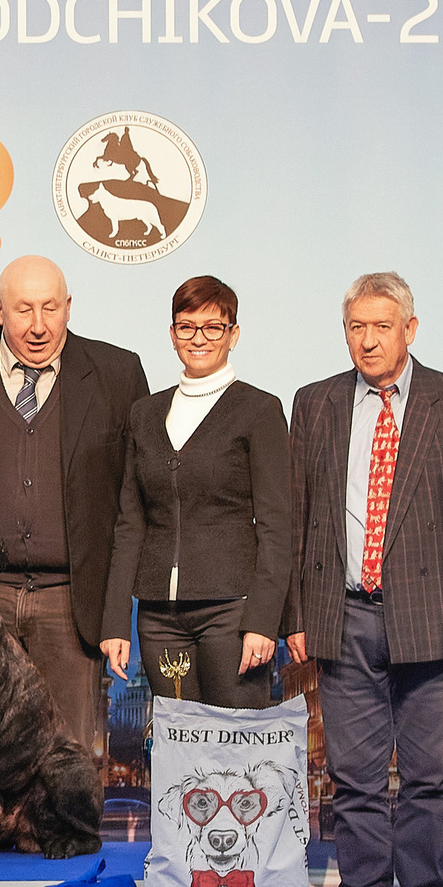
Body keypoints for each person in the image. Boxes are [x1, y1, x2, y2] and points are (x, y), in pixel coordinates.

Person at [291, 272, 443, 887]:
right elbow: (297, 517)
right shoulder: (314, 403)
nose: (369, 339)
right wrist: (296, 613)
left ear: (410, 328)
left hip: (436, 620)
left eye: (383, 325)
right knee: (351, 780)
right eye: (357, 326)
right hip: (342, 614)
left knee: (428, 781)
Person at [0, 255, 148, 753]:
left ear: (68, 307)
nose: (38, 326)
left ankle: (61, 835)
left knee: (66, 755)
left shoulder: (117, 373)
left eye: (50, 308)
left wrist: (115, 616)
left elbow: (133, 495)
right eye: (23, 310)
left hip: (70, 601)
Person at [99, 276, 293, 710]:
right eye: (186, 327)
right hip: (157, 619)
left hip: (233, 614)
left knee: (235, 758)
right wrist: (115, 622)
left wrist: (263, 622)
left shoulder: (260, 410)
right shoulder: (144, 414)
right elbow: (130, 524)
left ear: (233, 335)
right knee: (176, 756)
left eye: (213, 327)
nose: (198, 338)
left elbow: (278, 527)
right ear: (172, 335)